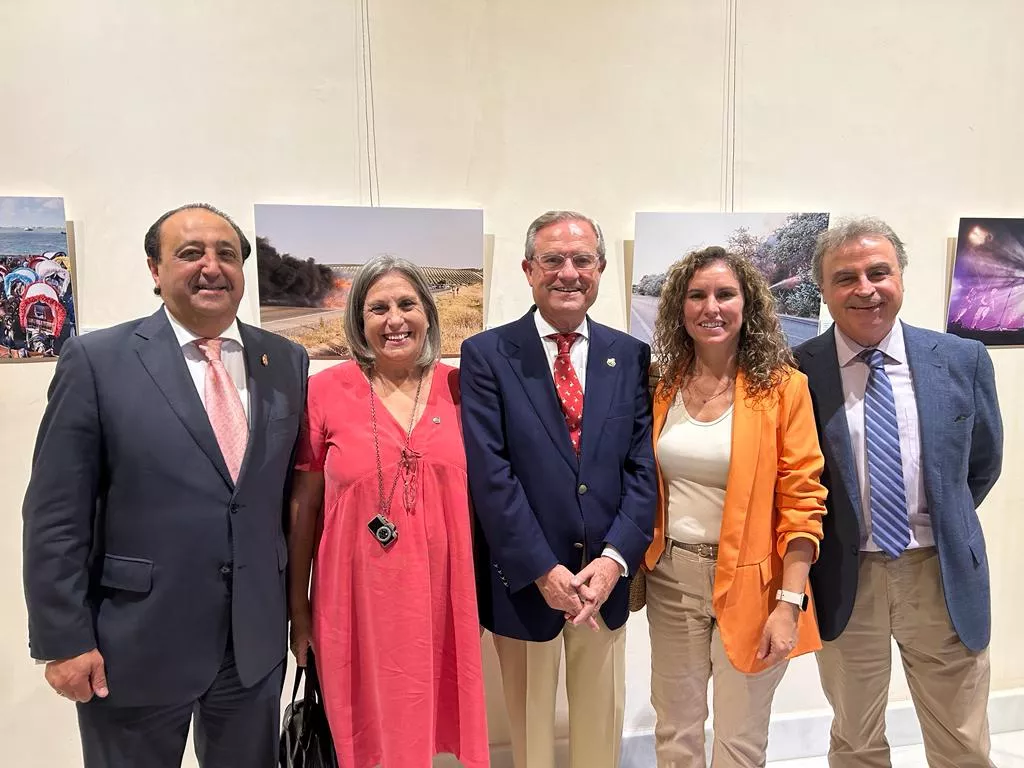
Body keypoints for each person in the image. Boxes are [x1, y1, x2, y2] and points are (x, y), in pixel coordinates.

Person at [22, 203, 309, 768]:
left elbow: (277, 499)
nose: (211, 266)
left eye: (227, 254)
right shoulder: (97, 360)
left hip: (251, 648)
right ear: (154, 270)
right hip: (134, 646)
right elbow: (56, 514)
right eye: (190, 253)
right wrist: (63, 639)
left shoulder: (286, 361)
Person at [794, 217, 1003, 768]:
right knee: (856, 739)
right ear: (824, 290)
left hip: (941, 573)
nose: (865, 288)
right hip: (845, 576)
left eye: (878, 272)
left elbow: (982, 465)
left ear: (901, 277)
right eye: (845, 278)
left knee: (962, 740)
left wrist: (941, 524)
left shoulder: (962, 360)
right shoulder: (796, 372)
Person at [461, 210, 656, 768]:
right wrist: (542, 569)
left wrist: (616, 560)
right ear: (528, 269)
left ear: (598, 269)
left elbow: (642, 468)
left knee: (600, 731)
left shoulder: (630, 355)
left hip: (604, 580)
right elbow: (491, 475)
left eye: (581, 260)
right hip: (527, 580)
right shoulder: (488, 355)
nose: (567, 272)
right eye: (552, 260)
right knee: (531, 738)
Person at [287, 255, 489, 768]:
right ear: (359, 320)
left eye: (406, 304)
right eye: (377, 308)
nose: (393, 319)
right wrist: (298, 609)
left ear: (428, 313)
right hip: (353, 597)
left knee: (429, 723)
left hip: (443, 593)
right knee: (363, 734)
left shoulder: (463, 388)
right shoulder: (323, 392)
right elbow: (304, 507)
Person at [641, 246, 827, 767]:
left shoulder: (784, 389)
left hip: (757, 584)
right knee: (675, 730)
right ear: (680, 307)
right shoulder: (663, 385)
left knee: (739, 739)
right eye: (696, 295)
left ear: (748, 304)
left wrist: (789, 603)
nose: (711, 307)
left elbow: (803, 501)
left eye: (725, 294)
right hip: (671, 578)